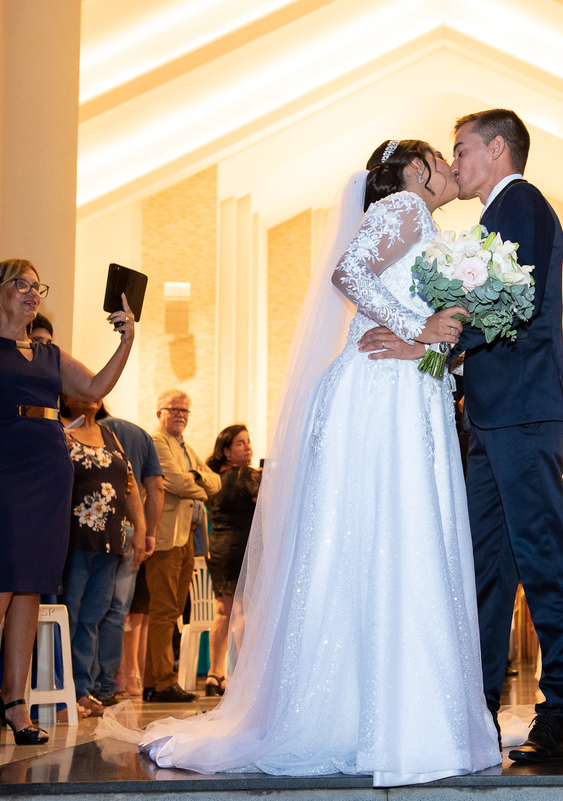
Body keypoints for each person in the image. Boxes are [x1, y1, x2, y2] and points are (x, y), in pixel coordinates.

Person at [118, 139, 495, 786]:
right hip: (375, 392)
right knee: (381, 539)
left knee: (404, 540)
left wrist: (433, 345)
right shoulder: (404, 207)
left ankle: (410, 712)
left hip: (409, 387)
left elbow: (432, 328)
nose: (447, 163)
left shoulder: (432, 226)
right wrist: (415, 326)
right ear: (411, 169)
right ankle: (358, 716)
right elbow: (348, 273)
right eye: (438, 152)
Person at [358, 109, 563, 762]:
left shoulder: (521, 206)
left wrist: (422, 345)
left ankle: (559, 712)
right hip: (488, 415)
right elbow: (483, 313)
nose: (454, 162)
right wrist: (435, 349)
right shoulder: (491, 220)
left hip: (523, 408)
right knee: (487, 567)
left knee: (541, 555)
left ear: (497, 148)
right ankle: (478, 709)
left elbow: (517, 303)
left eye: (461, 148)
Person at [0, 257, 134, 751]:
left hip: (51, 468)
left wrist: (127, 340)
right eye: (22, 285)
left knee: (32, 585)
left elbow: (94, 388)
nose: (33, 293)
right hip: (0, 466)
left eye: (37, 287)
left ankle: (13, 701)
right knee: (2, 576)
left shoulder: (49, 353)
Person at [59, 395, 145, 717]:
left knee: (92, 617)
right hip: (74, 536)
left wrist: (140, 525)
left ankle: (83, 690)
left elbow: (130, 484)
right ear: (66, 395)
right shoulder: (59, 429)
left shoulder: (110, 436)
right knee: (70, 613)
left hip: (110, 540)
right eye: (82, 388)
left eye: (96, 388)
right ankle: (62, 690)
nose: (91, 395)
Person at [145, 389, 221, 703]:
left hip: (186, 536)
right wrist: (197, 482)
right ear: (160, 413)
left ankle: (154, 681)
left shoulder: (186, 447)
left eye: (185, 411)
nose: (180, 415)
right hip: (164, 537)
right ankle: (162, 682)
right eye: (174, 409)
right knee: (164, 611)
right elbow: (174, 482)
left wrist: (196, 480)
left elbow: (216, 482)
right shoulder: (158, 442)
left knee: (174, 610)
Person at [99, 409, 164, 704]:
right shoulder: (141, 435)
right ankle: (112, 683)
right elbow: (157, 487)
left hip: (94, 525)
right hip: (131, 528)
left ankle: (85, 685)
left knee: (88, 610)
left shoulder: (89, 431)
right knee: (119, 611)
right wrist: (148, 532)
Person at [202, 424, 261, 697]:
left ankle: (214, 674)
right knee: (241, 612)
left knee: (223, 612)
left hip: (219, 549)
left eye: (248, 442)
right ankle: (238, 675)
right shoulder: (247, 475)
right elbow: (267, 505)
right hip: (242, 548)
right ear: (226, 450)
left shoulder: (213, 477)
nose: (247, 447)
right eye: (240, 443)